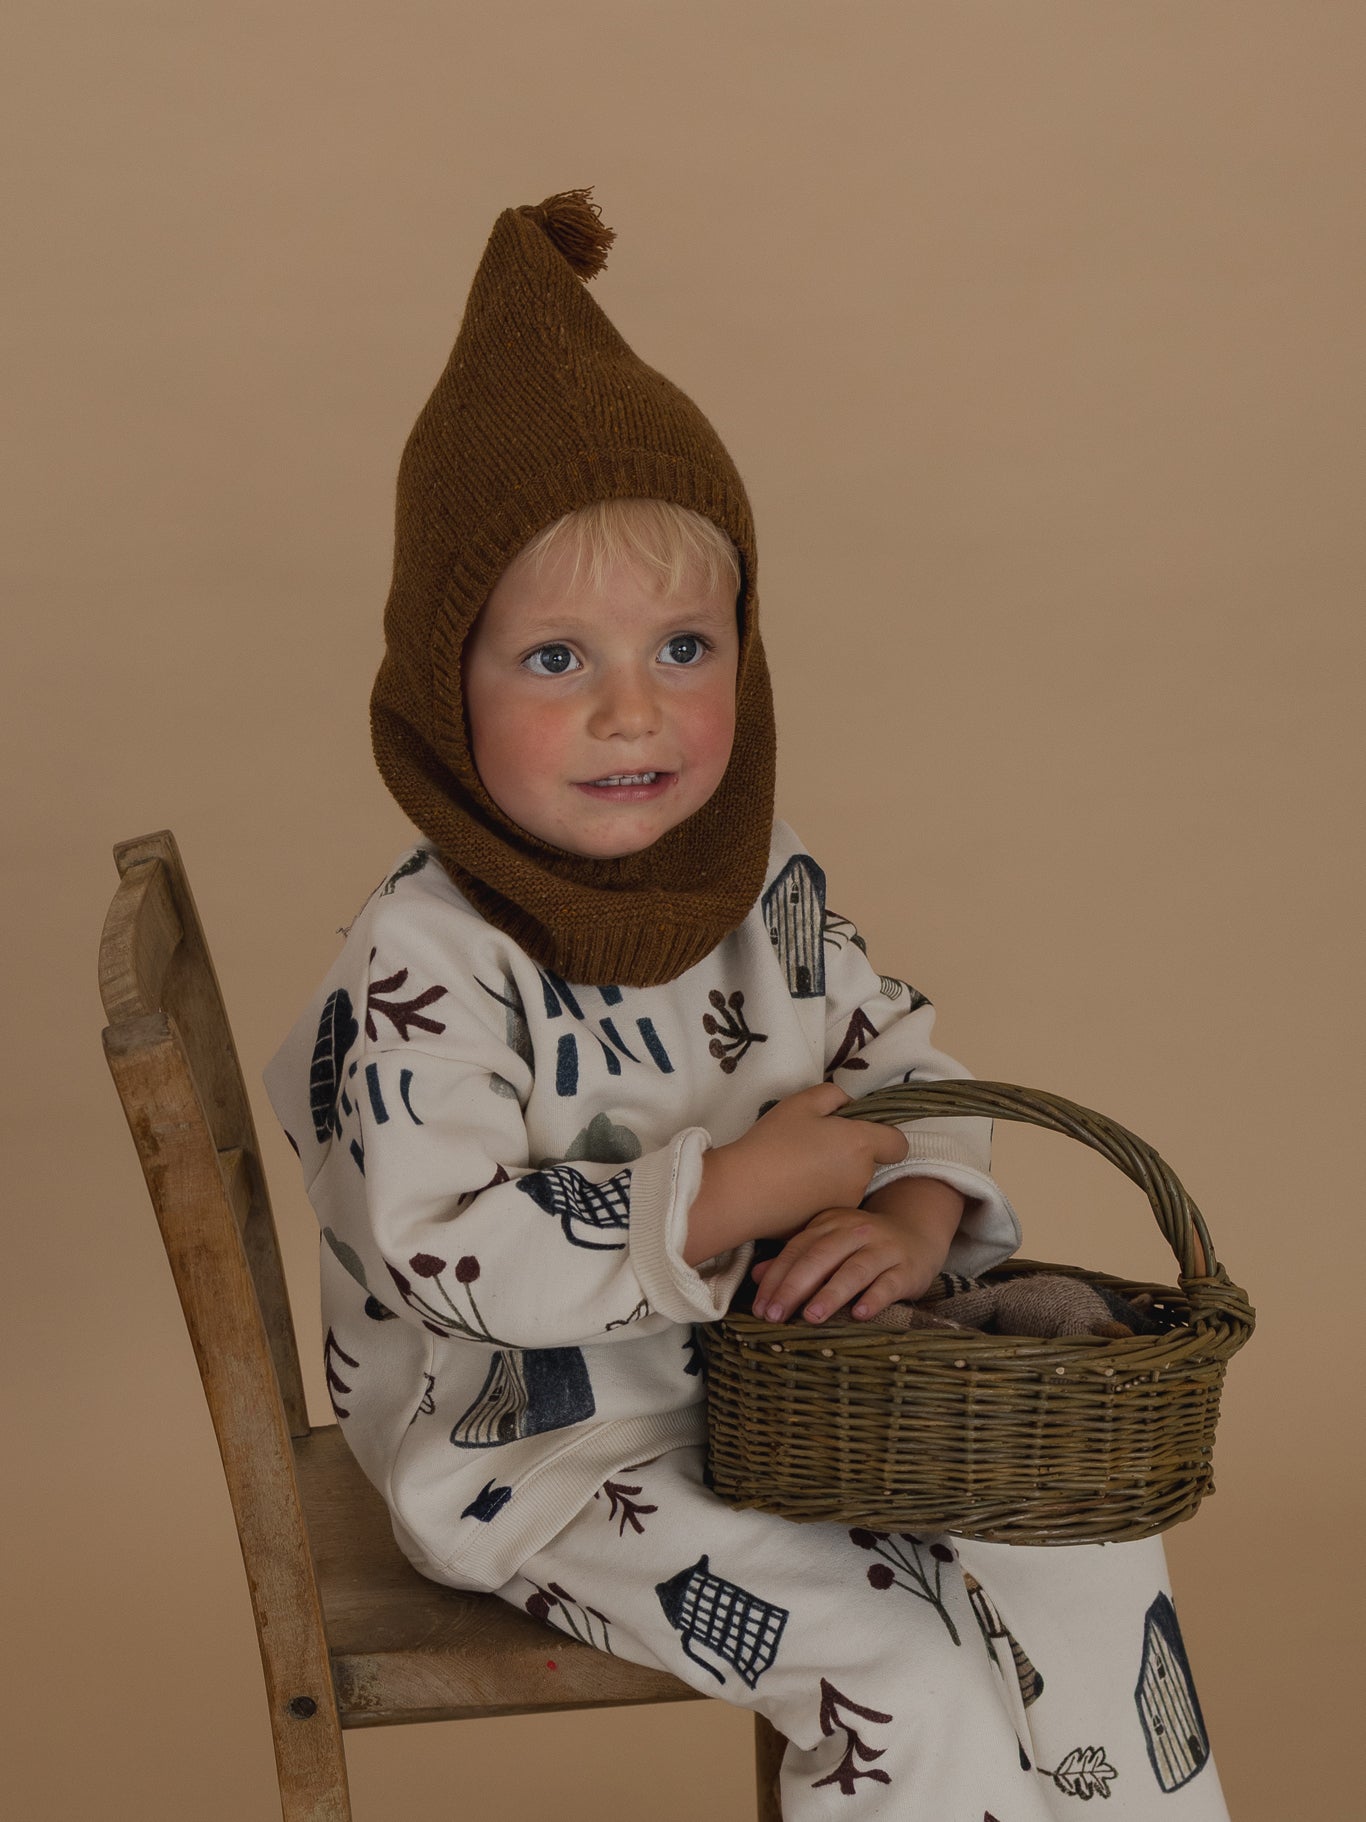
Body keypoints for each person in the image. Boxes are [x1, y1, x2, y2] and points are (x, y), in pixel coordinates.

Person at [265, 190, 1228, 1819]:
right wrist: (727, 1195)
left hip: (788, 1393)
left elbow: (904, 1063)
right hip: (546, 1458)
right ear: (447, 680)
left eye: (684, 645)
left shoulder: (755, 880)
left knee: (1081, 1553)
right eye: (556, 660)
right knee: (901, 1677)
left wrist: (919, 1204)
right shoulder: (431, 957)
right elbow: (448, 1240)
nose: (632, 709)